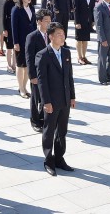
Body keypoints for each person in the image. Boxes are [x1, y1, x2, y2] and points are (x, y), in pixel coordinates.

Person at [36, 23, 75, 177]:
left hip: (64, 99)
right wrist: (46, 102)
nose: (62, 36)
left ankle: (59, 158)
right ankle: (48, 159)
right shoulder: (43, 55)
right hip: (51, 101)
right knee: (49, 130)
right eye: (59, 34)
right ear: (50, 36)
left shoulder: (66, 53)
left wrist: (72, 96)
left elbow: (69, 76)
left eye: (63, 34)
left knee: (62, 130)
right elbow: (42, 81)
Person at [11, 0, 35, 98]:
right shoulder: (16, 9)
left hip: (30, 41)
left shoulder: (32, 8)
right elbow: (14, 27)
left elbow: (34, 24)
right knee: (21, 65)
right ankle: (21, 88)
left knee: (27, 66)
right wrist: (15, 43)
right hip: (20, 41)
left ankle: (25, 87)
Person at [94, 0, 110, 85]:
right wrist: (103, 39)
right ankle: (102, 79)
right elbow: (98, 25)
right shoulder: (99, 7)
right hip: (104, 38)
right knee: (102, 59)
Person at [72, 0, 94, 66]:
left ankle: (84, 56)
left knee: (85, 39)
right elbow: (75, 10)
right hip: (80, 20)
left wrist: (92, 20)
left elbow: (91, 8)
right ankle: (79, 57)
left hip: (87, 20)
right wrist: (77, 22)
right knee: (79, 39)